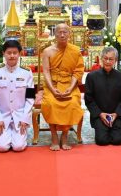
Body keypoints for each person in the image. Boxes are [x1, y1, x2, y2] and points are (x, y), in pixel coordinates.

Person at [41, 23, 85, 151]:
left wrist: (70, 88)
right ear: (54, 34)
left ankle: (65, 135)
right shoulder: (47, 51)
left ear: (69, 34)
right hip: (52, 84)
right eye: (59, 32)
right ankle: (54, 135)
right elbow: (46, 72)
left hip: (69, 84)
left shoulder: (75, 51)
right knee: (50, 103)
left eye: (65, 32)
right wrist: (52, 89)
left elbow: (78, 71)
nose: (62, 35)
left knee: (72, 103)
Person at [0, 40, 36, 153]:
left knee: (18, 147)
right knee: (2, 147)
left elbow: (30, 98)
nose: (12, 56)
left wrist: (25, 118)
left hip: (20, 115)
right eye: (9, 53)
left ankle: (17, 135)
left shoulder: (26, 73)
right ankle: (5, 135)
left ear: (19, 54)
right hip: (2, 116)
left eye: (15, 53)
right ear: (3, 53)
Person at [84, 46, 121, 146]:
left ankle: (113, 128)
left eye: (111, 59)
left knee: (118, 140)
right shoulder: (92, 76)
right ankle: (101, 127)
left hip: (115, 114)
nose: (108, 61)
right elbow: (88, 99)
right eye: (105, 58)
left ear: (115, 60)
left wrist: (116, 114)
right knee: (102, 141)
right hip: (99, 115)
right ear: (101, 58)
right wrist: (100, 114)